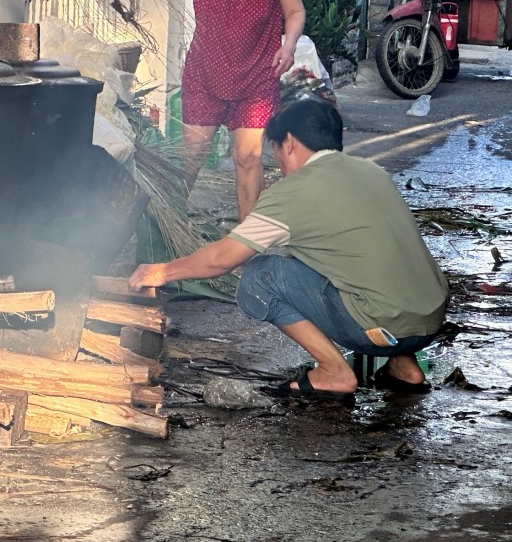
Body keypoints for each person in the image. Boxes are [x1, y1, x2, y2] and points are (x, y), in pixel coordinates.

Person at [128, 100, 448, 400]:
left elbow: (223, 259)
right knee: (362, 263)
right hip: (429, 323)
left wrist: (162, 271)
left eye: (276, 151)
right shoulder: (371, 171)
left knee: (260, 277)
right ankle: (405, 367)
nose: (278, 163)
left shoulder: (292, 192)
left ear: (290, 143)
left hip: (379, 329)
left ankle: (334, 372)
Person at [101, 0, 306, 218]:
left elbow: (295, 10)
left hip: (256, 73)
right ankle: (167, 232)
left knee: (248, 157)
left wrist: (288, 47)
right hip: (206, 71)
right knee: (191, 156)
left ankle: (247, 244)